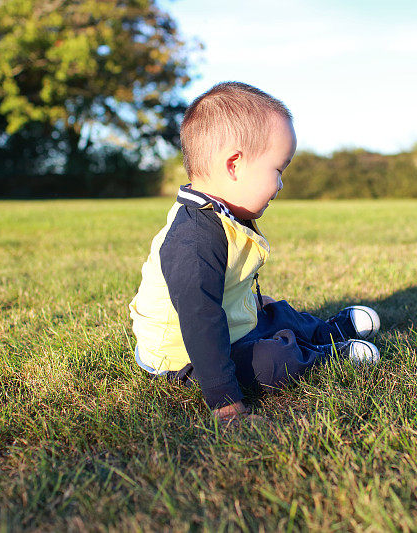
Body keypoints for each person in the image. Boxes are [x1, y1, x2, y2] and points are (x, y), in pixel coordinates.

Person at [128, 82, 381, 426]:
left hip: (227, 325)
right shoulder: (193, 240)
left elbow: (230, 280)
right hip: (185, 355)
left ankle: (325, 331)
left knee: (279, 315)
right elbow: (200, 323)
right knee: (272, 361)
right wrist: (226, 405)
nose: (280, 185)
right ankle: (324, 356)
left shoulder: (222, 213)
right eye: (278, 170)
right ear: (234, 165)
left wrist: (254, 303)